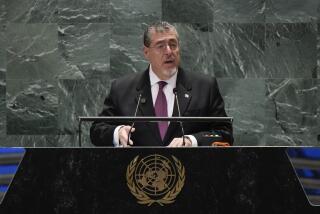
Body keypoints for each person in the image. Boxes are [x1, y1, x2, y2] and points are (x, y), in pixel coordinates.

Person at [90, 21, 233, 147]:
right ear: (146, 52)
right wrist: (117, 132)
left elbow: (225, 133)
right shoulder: (121, 89)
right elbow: (97, 130)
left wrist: (192, 141)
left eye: (173, 44)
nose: (169, 51)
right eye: (160, 46)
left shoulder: (205, 87)